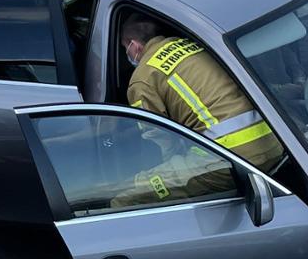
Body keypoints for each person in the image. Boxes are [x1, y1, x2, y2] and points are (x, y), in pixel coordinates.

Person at [112, 12, 285, 206]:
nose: (126, 52)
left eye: (124, 47)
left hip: (229, 159)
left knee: (126, 195)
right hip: (275, 144)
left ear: (133, 45)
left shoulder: (142, 79)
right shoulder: (193, 45)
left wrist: (169, 168)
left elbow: (158, 138)